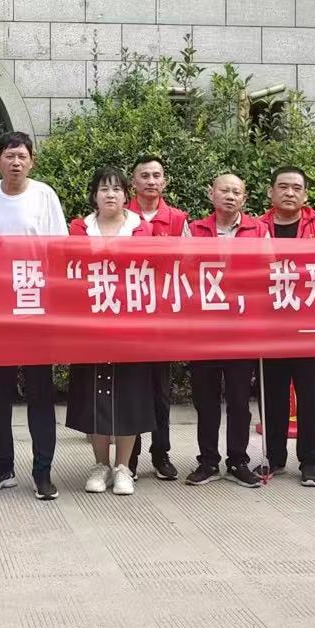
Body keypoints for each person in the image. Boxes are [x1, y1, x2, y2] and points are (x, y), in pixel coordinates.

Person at [0, 131, 68, 501]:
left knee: (41, 392)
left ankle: (43, 471)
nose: (15, 162)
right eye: (9, 156)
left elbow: (60, 250)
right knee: (2, 392)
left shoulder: (44, 195)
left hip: (35, 305)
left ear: (31, 161)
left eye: (22, 156)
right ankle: (1, 467)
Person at [66, 168, 156, 496]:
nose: (110, 195)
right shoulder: (79, 228)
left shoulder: (141, 229)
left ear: (126, 195)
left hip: (130, 324)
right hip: (89, 324)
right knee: (94, 392)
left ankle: (123, 467)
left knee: (129, 393)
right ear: (94, 195)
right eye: (104, 189)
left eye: (117, 189)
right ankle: (100, 464)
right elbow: (71, 268)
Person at [184, 173, 266, 488]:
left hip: (241, 329)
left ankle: (238, 460)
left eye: (236, 192)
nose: (230, 196)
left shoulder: (258, 230)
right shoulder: (194, 230)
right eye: (224, 190)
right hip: (203, 329)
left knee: (238, 400)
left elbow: (269, 269)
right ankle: (208, 461)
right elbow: (184, 271)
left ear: (244, 198)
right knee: (205, 400)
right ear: (211, 194)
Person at [256, 167, 315, 485]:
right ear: (270, 192)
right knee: (272, 396)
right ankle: (273, 458)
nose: (289, 193)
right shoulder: (256, 228)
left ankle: (311, 462)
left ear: (305, 194)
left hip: (310, 326)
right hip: (270, 326)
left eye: (296, 188)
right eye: (283, 186)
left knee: (312, 396)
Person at [124, 156, 185, 481]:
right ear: (133, 182)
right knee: (132, 388)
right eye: (144, 175)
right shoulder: (121, 217)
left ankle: (161, 454)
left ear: (165, 182)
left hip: (163, 317)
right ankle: (130, 457)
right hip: (129, 316)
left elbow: (188, 264)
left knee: (161, 390)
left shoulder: (177, 219)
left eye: (156, 175)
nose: (151, 181)